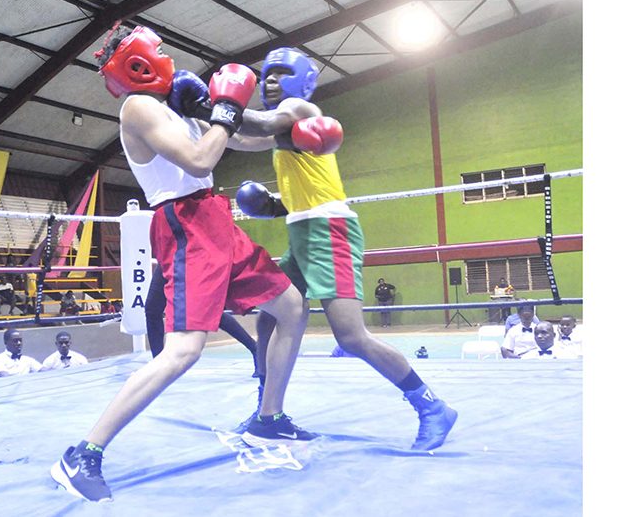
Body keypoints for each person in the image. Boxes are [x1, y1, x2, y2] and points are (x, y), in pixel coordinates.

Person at [49, 26, 308, 502]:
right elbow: (197, 157)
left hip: (214, 217)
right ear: (138, 63)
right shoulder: (137, 107)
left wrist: (286, 130)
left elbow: (234, 142)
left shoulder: (171, 99)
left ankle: (268, 419)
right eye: (159, 50)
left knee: (291, 309)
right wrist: (225, 109)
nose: (166, 55)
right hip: (186, 223)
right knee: (183, 351)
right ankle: (82, 452)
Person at [231, 47, 456, 451]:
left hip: (328, 231)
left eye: (279, 73)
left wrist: (218, 103)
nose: (268, 81)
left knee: (351, 337)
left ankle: (431, 406)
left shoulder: (299, 108)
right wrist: (195, 120)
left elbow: (257, 124)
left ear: (301, 80)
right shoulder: (282, 132)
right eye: (264, 74)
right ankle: (270, 415)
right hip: (303, 230)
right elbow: (240, 138)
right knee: (271, 316)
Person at [146, 263, 259, 375]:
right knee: (152, 309)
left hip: (193, 257)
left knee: (208, 310)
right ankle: (159, 364)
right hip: (170, 256)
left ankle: (255, 349)